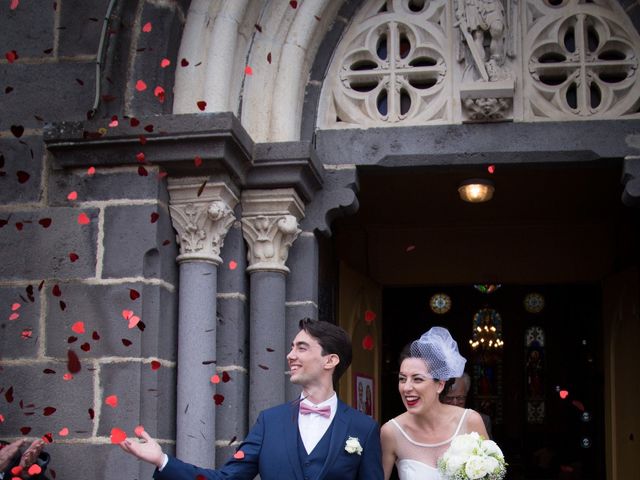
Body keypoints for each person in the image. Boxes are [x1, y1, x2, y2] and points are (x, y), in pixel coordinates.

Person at [120, 318, 384, 479]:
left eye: (301, 348)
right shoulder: (270, 422)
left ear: (331, 360)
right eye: (291, 347)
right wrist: (162, 460)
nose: (290, 355)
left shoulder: (364, 428)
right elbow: (226, 479)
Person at [380, 327, 488, 480]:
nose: (406, 388)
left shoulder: (470, 421)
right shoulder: (390, 432)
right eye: (402, 379)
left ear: (440, 385)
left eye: (417, 379)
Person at [441, 372, 492, 438]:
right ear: (441, 397)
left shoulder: (482, 421)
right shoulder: (434, 421)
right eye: (449, 398)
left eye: (460, 397)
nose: (455, 402)